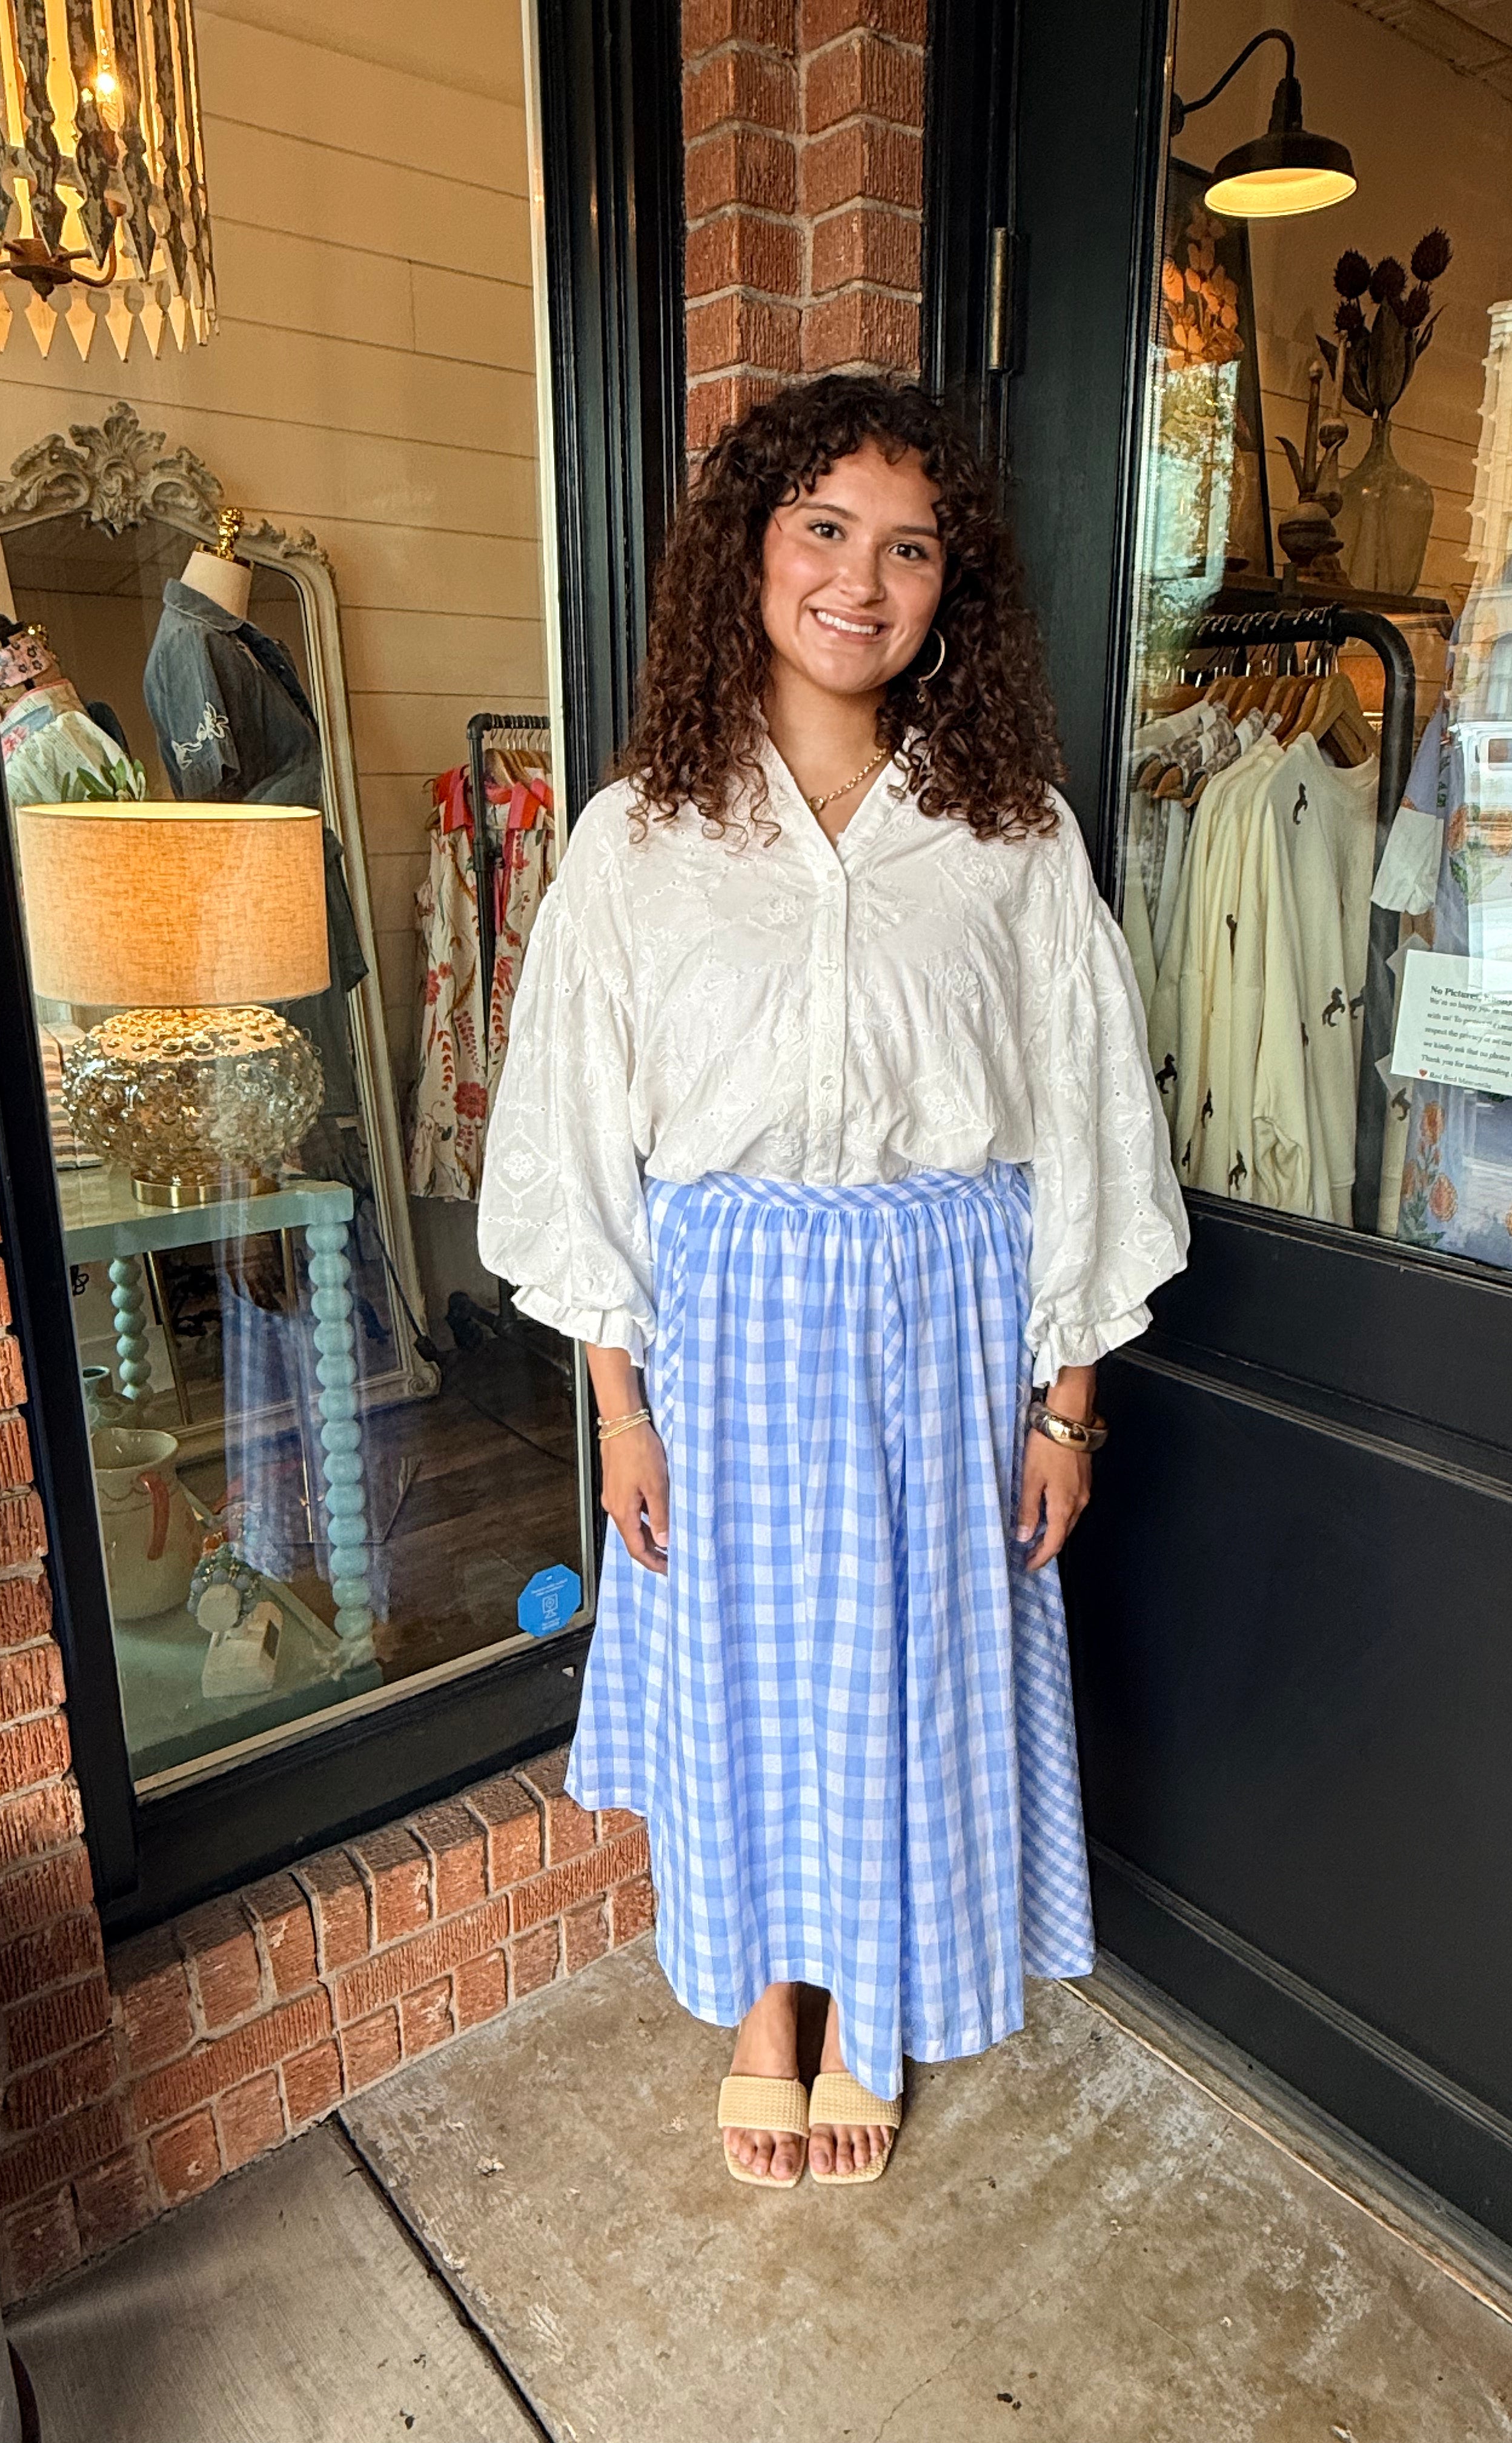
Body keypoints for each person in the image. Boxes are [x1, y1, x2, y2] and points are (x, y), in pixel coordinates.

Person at [480, 374, 1187, 2189]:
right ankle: (767, 2008)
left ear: (955, 589)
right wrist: (619, 1411)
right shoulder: (638, 838)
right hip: (727, 1334)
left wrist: (1068, 1409)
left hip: (950, 1319)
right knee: (755, 1681)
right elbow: (576, 1138)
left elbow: (1090, 1127)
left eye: (911, 548)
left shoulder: (1012, 837)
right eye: (824, 530)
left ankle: (873, 2000)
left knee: (912, 1678)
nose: (861, 581)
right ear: (751, 549)